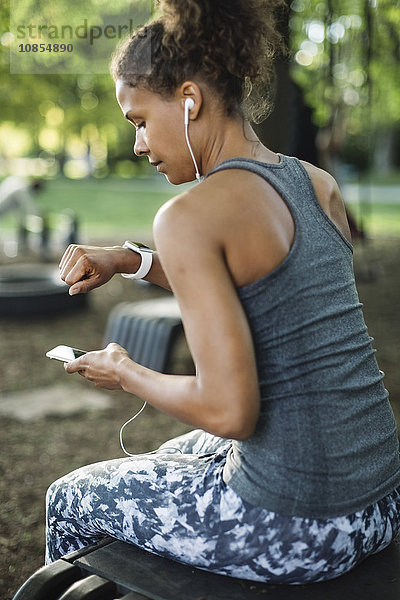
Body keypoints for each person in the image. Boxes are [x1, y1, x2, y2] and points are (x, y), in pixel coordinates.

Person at [45, 0, 400, 585]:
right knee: (167, 459)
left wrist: (123, 371)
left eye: (138, 121)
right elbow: (262, 280)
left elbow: (230, 411)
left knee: (69, 497)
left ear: (190, 99)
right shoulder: (317, 184)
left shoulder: (189, 216)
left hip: (300, 527)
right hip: (381, 500)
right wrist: (129, 261)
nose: (137, 145)